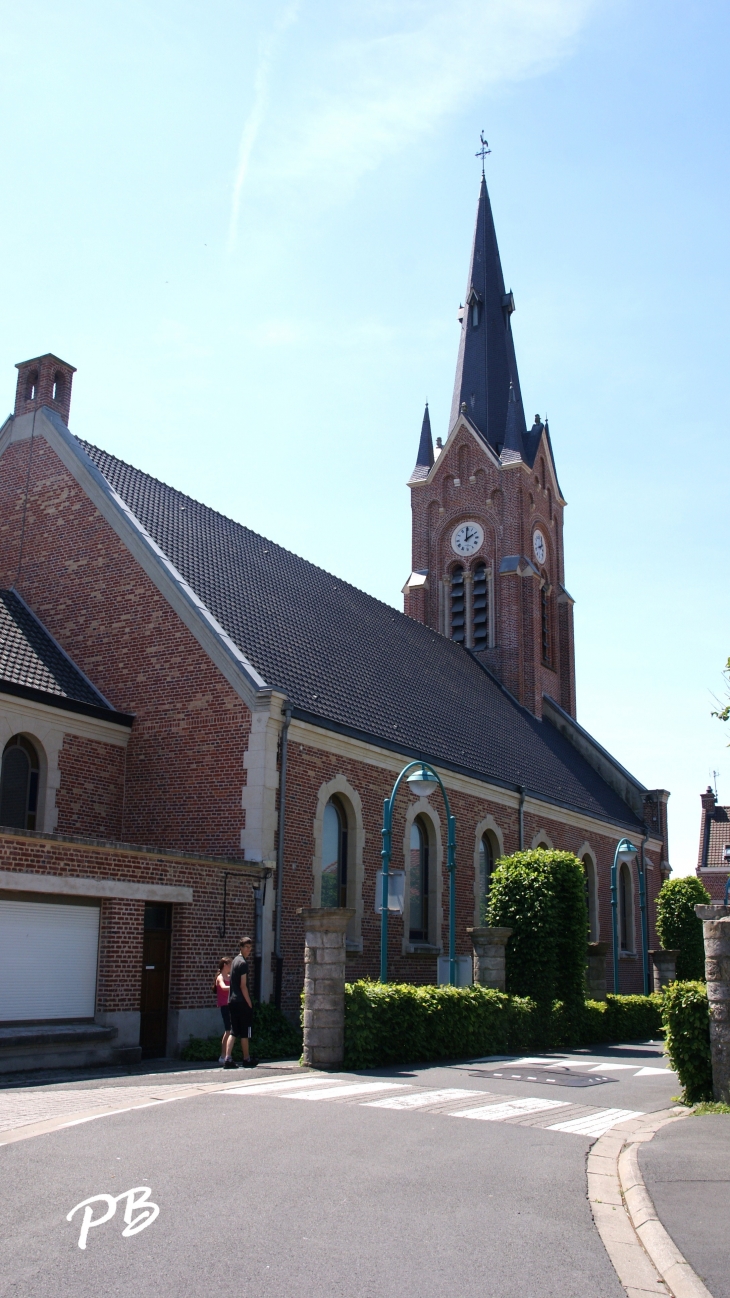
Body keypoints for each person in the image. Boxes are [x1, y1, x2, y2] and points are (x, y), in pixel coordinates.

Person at [223, 936, 257, 1069]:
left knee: (233, 1030)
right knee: (245, 1031)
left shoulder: (234, 961)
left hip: (232, 1001)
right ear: (241, 948)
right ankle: (246, 1058)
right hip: (242, 1001)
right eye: (246, 947)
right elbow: (243, 985)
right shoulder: (243, 963)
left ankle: (227, 1058)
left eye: (250, 948)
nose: (249, 950)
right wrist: (250, 1003)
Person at [214, 957, 232, 1065]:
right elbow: (223, 987)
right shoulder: (220, 977)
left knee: (232, 1031)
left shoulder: (230, 977)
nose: (231, 967)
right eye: (230, 964)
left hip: (231, 1005)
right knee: (228, 1030)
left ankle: (228, 1055)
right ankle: (222, 1055)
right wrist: (233, 987)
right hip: (224, 1006)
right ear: (225, 965)